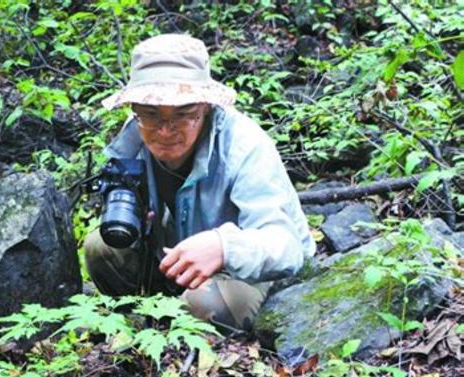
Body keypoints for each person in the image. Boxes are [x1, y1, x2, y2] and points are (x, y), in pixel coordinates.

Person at [85, 34, 315, 332]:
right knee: (100, 247)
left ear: (205, 107)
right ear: (135, 109)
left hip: (251, 270)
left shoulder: (244, 145)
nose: (165, 131)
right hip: (177, 252)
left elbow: (286, 247)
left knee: (202, 304)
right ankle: (144, 329)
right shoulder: (133, 139)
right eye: (152, 114)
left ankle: (188, 332)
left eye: (183, 114)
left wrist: (224, 247)